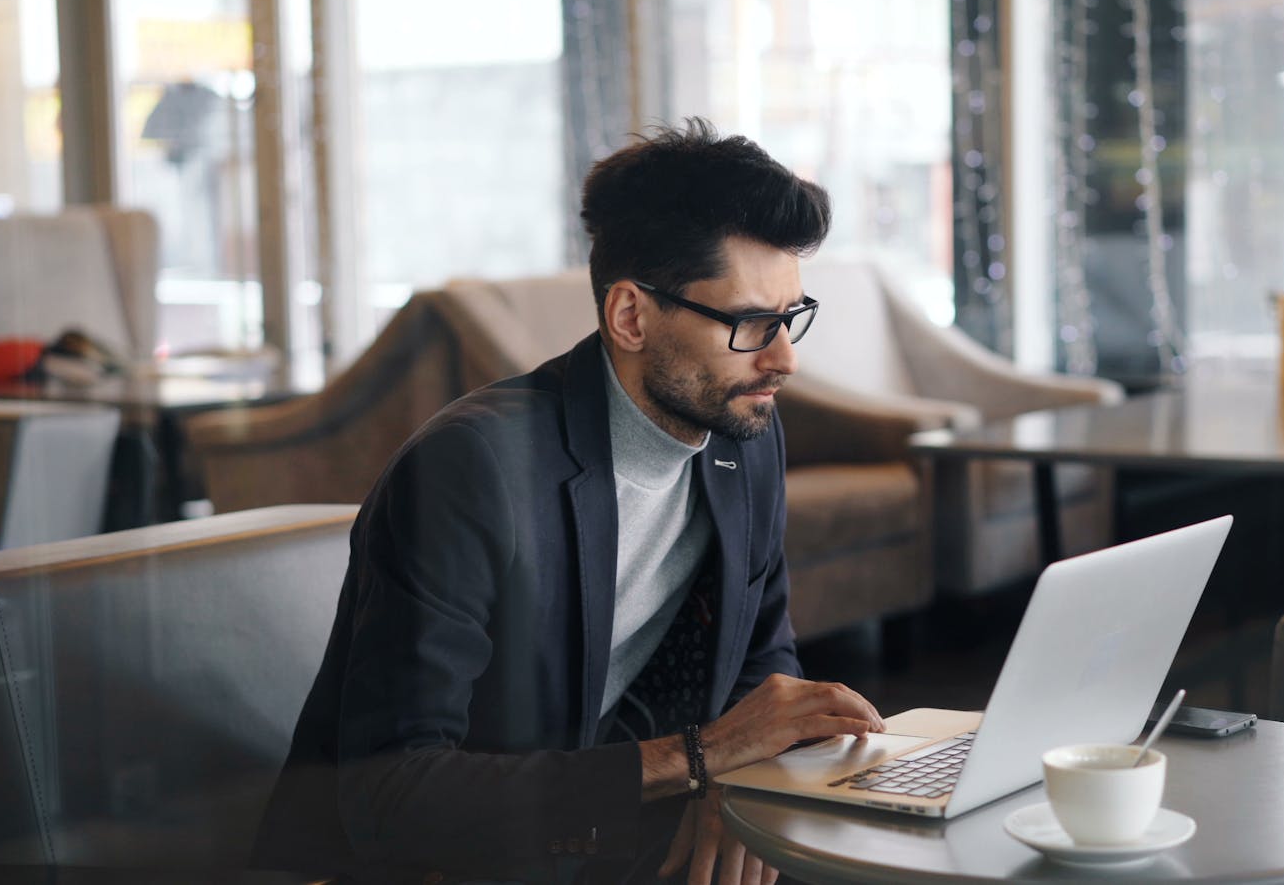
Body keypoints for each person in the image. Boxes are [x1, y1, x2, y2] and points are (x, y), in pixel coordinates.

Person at [251, 118, 885, 884]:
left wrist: (742, 784)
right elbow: (391, 798)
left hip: (610, 837)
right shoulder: (471, 470)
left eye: (789, 317)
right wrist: (702, 759)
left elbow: (761, 658)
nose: (784, 358)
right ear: (630, 316)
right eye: (750, 323)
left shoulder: (739, 432)